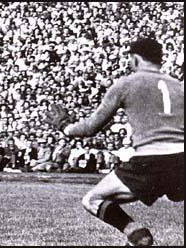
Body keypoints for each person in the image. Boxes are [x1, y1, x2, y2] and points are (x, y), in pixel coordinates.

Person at [43, 37, 184, 246]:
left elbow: (91, 127)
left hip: (150, 160)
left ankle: (136, 234)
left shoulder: (126, 84)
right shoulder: (178, 86)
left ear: (135, 59)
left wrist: (66, 127)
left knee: (92, 200)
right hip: (181, 159)